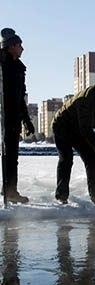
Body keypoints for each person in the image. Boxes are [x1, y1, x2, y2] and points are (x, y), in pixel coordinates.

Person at [52, 73, 95, 205]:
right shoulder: (86, 100)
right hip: (62, 125)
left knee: (91, 158)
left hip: (78, 128)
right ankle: (61, 195)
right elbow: (86, 130)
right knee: (66, 158)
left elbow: (87, 127)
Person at [0, 28, 35, 203]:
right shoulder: (2, 64)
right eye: (20, 45)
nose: (22, 48)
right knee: (6, 154)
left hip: (13, 118)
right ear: (12, 46)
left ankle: (10, 190)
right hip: (1, 116)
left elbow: (21, 97)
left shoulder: (19, 69)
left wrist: (27, 120)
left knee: (12, 156)